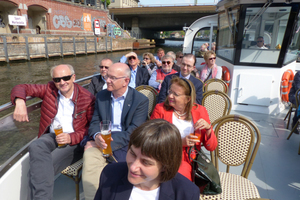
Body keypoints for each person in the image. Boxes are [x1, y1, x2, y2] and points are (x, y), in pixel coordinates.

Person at [10, 64, 95, 199]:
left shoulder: (87, 98)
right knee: (35, 145)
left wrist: (71, 137)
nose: (62, 82)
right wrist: (20, 102)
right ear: (53, 80)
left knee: (36, 171)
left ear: (73, 77)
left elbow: (91, 128)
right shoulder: (49, 89)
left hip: (74, 142)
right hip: (52, 135)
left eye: (66, 78)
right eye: (57, 79)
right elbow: (21, 87)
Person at [82, 62, 149, 200]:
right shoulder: (101, 96)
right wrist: (96, 136)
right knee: (89, 155)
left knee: (122, 172)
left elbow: (134, 131)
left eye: (112, 78)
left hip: (127, 144)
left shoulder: (140, 100)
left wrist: (105, 144)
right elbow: (95, 121)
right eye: (107, 76)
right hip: (103, 140)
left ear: (126, 81)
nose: (107, 80)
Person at [94, 119, 200, 200]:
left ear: (165, 165)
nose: (134, 167)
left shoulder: (186, 193)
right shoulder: (110, 174)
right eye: (132, 154)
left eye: (146, 162)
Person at [151, 77, 217, 181]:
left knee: (181, 177)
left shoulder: (200, 111)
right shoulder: (160, 109)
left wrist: (209, 129)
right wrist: (179, 142)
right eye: (170, 92)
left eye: (175, 94)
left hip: (188, 158)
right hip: (163, 154)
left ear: (188, 99)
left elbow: (211, 147)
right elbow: (152, 139)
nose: (170, 96)